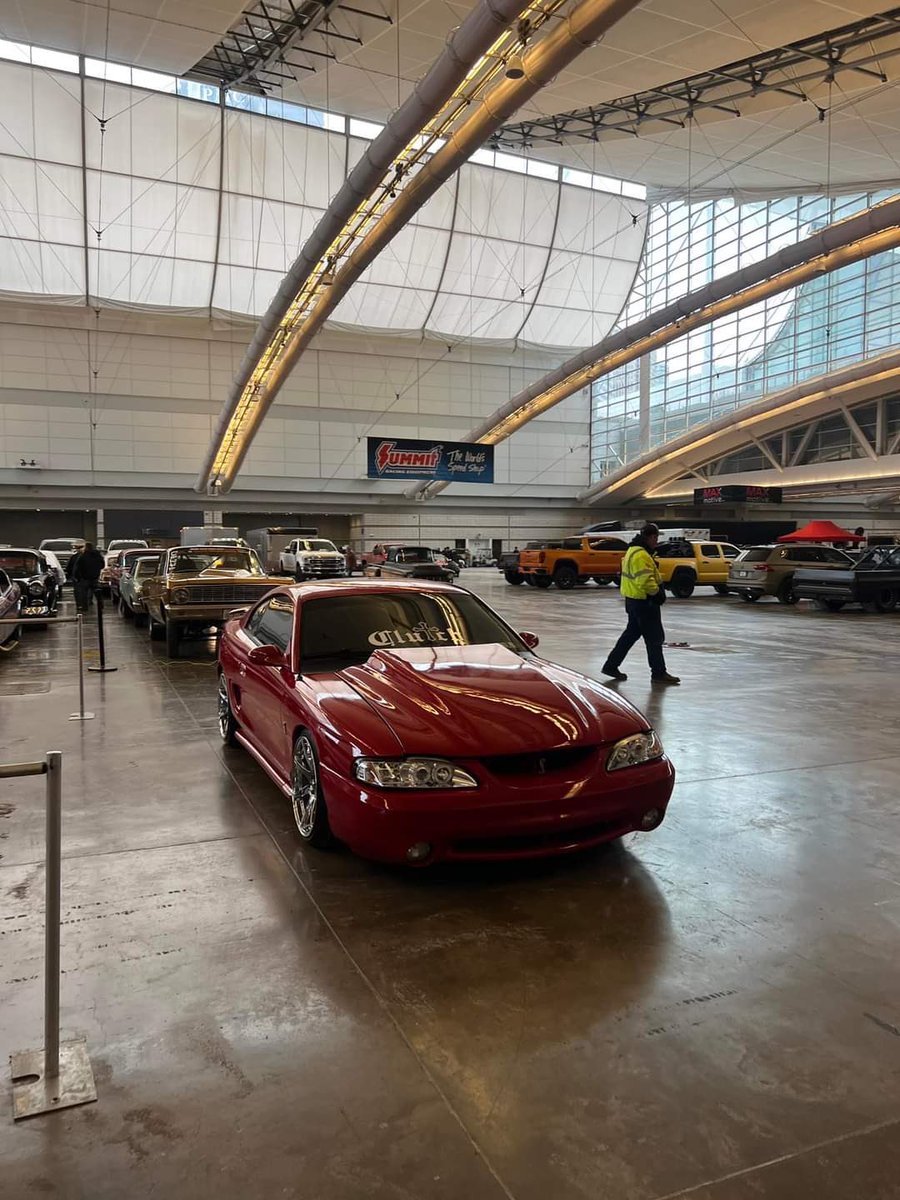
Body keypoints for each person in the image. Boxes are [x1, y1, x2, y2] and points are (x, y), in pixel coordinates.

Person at [602, 523, 680, 685]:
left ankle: (611, 666)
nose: (657, 541)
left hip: (633, 601)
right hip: (645, 603)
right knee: (654, 638)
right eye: (656, 537)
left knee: (630, 636)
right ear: (651, 537)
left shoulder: (632, 551)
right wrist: (657, 594)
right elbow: (645, 580)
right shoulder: (641, 555)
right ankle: (658, 673)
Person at [71, 540, 105, 613]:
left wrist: (78, 577)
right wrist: (97, 570)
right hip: (95, 577)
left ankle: (84, 607)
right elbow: (102, 565)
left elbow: (78, 567)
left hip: (85, 578)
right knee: (97, 592)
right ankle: (100, 605)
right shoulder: (97, 556)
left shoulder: (83, 556)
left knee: (84, 594)